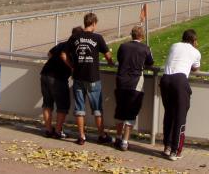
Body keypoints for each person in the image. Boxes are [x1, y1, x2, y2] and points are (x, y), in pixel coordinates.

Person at [62, 13, 114, 146]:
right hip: (93, 78)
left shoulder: (74, 37)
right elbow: (108, 56)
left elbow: (63, 55)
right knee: (97, 109)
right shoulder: (97, 38)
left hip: (78, 77)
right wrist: (110, 62)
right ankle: (101, 135)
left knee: (79, 108)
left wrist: (72, 66)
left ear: (85, 23)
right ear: (94, 23)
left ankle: (81, 136)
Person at [160, 29, 201, 161]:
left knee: (169, 114)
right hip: (179, 81)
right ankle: (175, 151)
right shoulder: (196, 52)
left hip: (165, 80)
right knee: (180, 117)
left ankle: (167, 146)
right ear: (193, 41)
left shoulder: (174, 45)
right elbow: (195, 68)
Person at [113, 26, 154, 151]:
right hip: (135, 83)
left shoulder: (123, 46)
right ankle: (125, 141)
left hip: (121, 81)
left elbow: (120, 59)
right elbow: (150, 63)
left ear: (132, 35)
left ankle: (118, 137)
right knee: (131, 112)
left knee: (120, 110)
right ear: (142, 36)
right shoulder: (145, 48)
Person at [40, 26, 83, 139]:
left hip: (45, 73)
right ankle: (58, 131)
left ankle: (48, 130)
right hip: (58, 78)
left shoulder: (62, 44)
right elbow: (65, 58)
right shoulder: (75, 47)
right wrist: (72, 67)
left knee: (47, 103)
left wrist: (54, 63)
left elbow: (49, 54)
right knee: (63, 105)